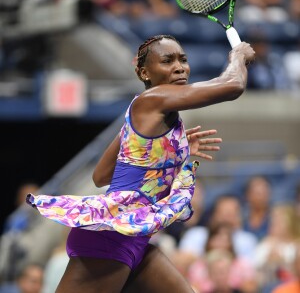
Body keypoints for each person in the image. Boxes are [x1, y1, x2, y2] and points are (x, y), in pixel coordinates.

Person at [26, 34, 255, 292]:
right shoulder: (151, 100)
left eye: (183, 59)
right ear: (145, 73)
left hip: (135, 240)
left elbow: (101, 176)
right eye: (167, 61)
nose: (179, 67)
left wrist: (165, 153)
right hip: (110, 241)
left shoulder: (143, 116)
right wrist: (238, 56)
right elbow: (233, 84)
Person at [179, 195, 258, 263]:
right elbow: (182, 260)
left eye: (230, 214)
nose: (226, 219)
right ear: (214, 215)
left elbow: (250, 269)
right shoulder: (195, 234)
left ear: (239, 216)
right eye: (223, 213)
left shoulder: (247, 240)